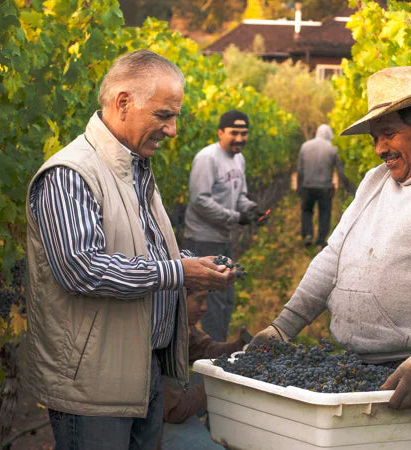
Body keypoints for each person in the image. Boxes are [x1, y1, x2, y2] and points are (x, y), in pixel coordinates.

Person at [250, 66, 411, 450]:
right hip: (360, 370)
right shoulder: (376, 180)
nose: (379, 148)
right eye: (375, 138)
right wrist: (283, 327)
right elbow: (333, 256)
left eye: (389, 134)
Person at [22, 49, 237, 449]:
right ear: (123, 103)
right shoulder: (71, 174)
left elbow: (138, 249)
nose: (173, 130)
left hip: (143, 370)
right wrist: (179, 273)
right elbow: (82, 269)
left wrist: (190, 262)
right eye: (164, 115)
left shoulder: (135, 170)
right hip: (93, 384)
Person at [183, 110, 266, 342]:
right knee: (209, 302)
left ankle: (216, 350)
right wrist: (237, 217)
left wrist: (252, 209)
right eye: (234, 133)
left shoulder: (239, 159)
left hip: (224, 239)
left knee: (226, 297)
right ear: (220, 132)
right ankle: (205, 363)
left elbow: (240, 196)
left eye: (244, 133)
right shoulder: (207, 158)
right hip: (203, 240)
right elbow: (200, 201)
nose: (240, 138)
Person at [160, 288, 247, 450]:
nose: (205, 307)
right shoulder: (162, 336)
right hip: (156, 423)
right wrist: (218, 383)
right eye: (200, 300)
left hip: (173, 408)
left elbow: (206, 349)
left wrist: (240, 345)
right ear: (178, 299)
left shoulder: (182, 325)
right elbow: (174, 411)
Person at [297, 124, 343, 248]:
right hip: (325, 188)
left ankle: (307, 235)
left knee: (306, 211)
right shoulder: (333, 148)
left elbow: (300, 170)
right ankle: (320, 242)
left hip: (308, 186)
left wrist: (299, 187)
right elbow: (340, 170)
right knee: (325, 213)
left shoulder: (305, 146)